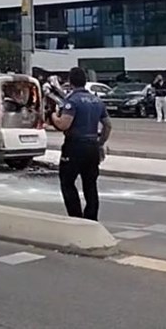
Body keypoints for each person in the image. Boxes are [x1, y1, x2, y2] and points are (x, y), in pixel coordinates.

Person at [47, 67, 112, 222]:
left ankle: (76, 218)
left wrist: (53, 116)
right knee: (90, 184)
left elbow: (64, 124)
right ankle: (91, 219)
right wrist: (100, 142)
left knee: (67, 182)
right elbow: (108, 125)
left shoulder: (72, 101)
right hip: (92, 147)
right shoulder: (97, 100)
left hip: (75, 147)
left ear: (70, 82)